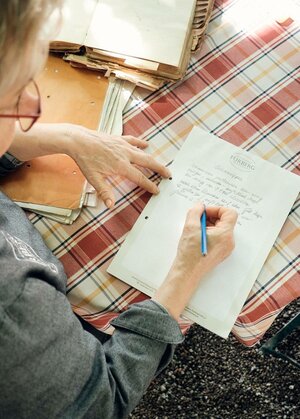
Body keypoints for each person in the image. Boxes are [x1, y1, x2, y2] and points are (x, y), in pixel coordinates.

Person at [0, 1, 238, 418]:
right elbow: (101, 403)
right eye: (18, 94)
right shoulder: (12, 302)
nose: (28, 111)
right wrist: (184, 274)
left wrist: (64, 137)